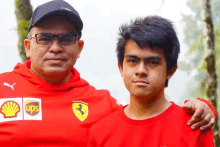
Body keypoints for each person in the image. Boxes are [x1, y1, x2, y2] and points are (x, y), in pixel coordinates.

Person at [0, 0, 216, 146]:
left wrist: (204, 107)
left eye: (66, 39)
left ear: (80, 48)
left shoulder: (101, 104)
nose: (55, 47)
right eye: (45, 38)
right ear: (28, 46)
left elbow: (144, 114)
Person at [87, 16, 214, 147]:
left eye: (152, 62)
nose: (141, 70)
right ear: (121, 67)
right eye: (132, 61)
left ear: (170, 71)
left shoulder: (195, 126)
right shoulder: (99, 134)